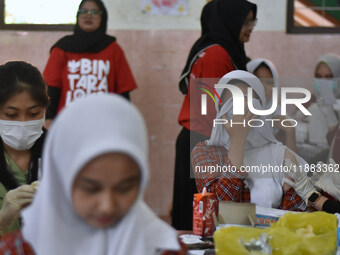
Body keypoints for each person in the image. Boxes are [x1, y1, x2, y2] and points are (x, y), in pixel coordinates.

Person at [0, 94, 186, 255]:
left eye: (125, 188)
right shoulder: (19, 250)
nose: (107, 206)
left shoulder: (163, 249)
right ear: (60, 181)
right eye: (90, 188)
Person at [173, 0, 257, 230]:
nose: (251, 26)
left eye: (253, 20)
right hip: (205, 140)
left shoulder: (214, 49)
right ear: (231, 21)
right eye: (246, 20)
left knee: (198, 215)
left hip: (199, 138)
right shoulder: (217, 55)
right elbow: (213, 111)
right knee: (201, 220)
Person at [191, 70, 306, 211]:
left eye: (248, 101)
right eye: (232, 102)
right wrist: (237, 141)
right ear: (220, 111)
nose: (240, 110)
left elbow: (292, 214)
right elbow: (217, 208)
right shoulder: (204, 152)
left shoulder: (281, 155)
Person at [43, 0, 137, 128]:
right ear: (77, 16)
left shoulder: (113, 49)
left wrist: (124, 119)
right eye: (83, 11)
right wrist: (49, 118)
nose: (88, 15)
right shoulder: (62, 48)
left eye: (94, 12)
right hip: (67, 122)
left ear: (103, 18)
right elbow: (52, 88)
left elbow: (123, 91)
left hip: (105, 122)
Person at [0, 61, 48, 236]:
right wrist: (2, 223)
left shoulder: (61, 152)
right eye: (11, 115)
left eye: (34, 113)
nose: (23, 123)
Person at [293, 53, 340, 163]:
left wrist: (331, 120)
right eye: (319, 77)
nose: (323, 82)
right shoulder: (310, 100)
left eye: (328, 77)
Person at [247, 58, 298, 153]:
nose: (263, 88)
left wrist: (290, 131)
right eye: (258, 81)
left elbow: (293, 164)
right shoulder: (239, 113)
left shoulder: (275, 111)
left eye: (269, 82)